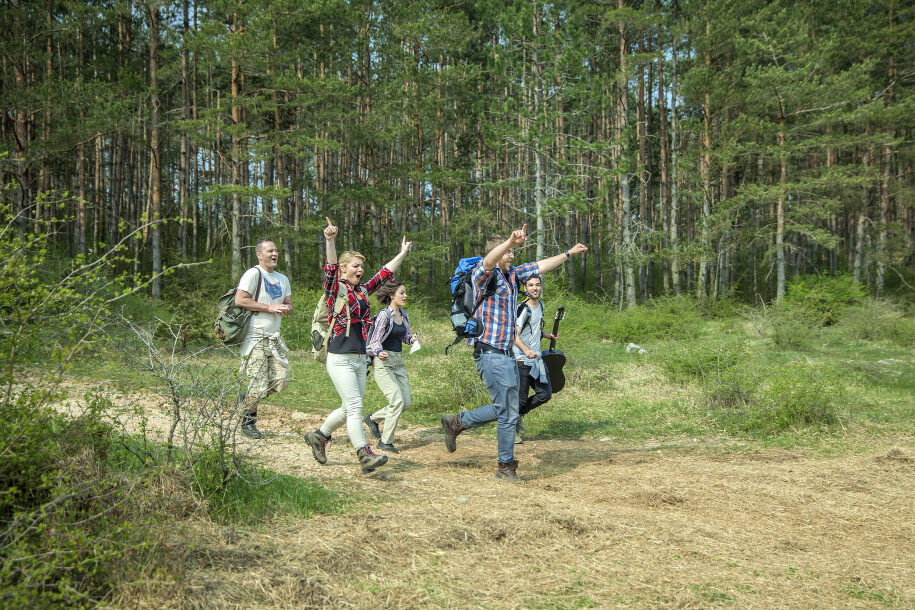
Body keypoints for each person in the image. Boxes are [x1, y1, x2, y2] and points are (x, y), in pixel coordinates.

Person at [440, 225, 587, 481]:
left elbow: (540, 265)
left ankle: (458, 422)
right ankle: (505, 466)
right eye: (508, 253)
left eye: (513, 253)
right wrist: (509, 242)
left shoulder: (512, 275)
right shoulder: (485, 275)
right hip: (490, 352)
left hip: (506, 353)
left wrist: (568, 253)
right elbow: (488, 261)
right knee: (509, 411)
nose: (512, 256)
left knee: (507, 409)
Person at [304, 218, 412, 474]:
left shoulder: (363, 291)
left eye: (362, 266)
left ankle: (319, 436)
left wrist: (402, 253)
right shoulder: (334, 289)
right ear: (343, 268)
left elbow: (385, 273)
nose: (360, 269)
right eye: (355, 266)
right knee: (355, 407)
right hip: (339, 357)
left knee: (348, 406)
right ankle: (364, 454)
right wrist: (330, 240)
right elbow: (329, 268)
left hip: (359, 358)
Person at [234, 237, 293, 439]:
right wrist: (269, 307)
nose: (274, 254)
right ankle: (248, 423)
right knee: (258, 384)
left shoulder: (283, 279)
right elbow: (240, 299)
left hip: (274, 338)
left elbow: (289, 303)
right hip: (255, 337)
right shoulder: (253, 274)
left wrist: (286, 308)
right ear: (259, 254)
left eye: (276, 250)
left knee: (281, 380)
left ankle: (247, 397)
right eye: (270, 251)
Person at [363, 280, 418, 454]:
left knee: (406, 403)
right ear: (392, 295)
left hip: (398, 362)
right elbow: (374, 341)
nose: (405, 296)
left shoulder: (404, 315)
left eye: (405, 292)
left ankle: (372, 419)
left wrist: (412, 339)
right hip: (383, 363)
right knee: (397, 401)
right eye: (402, 293)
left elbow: (405, 337)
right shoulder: (383, 316)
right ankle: (385, 442)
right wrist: (379, 352)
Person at [512, 276, 556, 444]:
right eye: (531, 285)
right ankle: (511, 428)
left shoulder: (540, 306)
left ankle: (517, 416)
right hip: (522, 360)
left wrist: (547, 335)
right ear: (526, 287)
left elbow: (535, 329)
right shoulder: (523, 309)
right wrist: (526, 350)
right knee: (521, 399)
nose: (535, 288)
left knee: (545, 394)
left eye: (537, 285)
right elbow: (514, 335)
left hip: (536, 360)